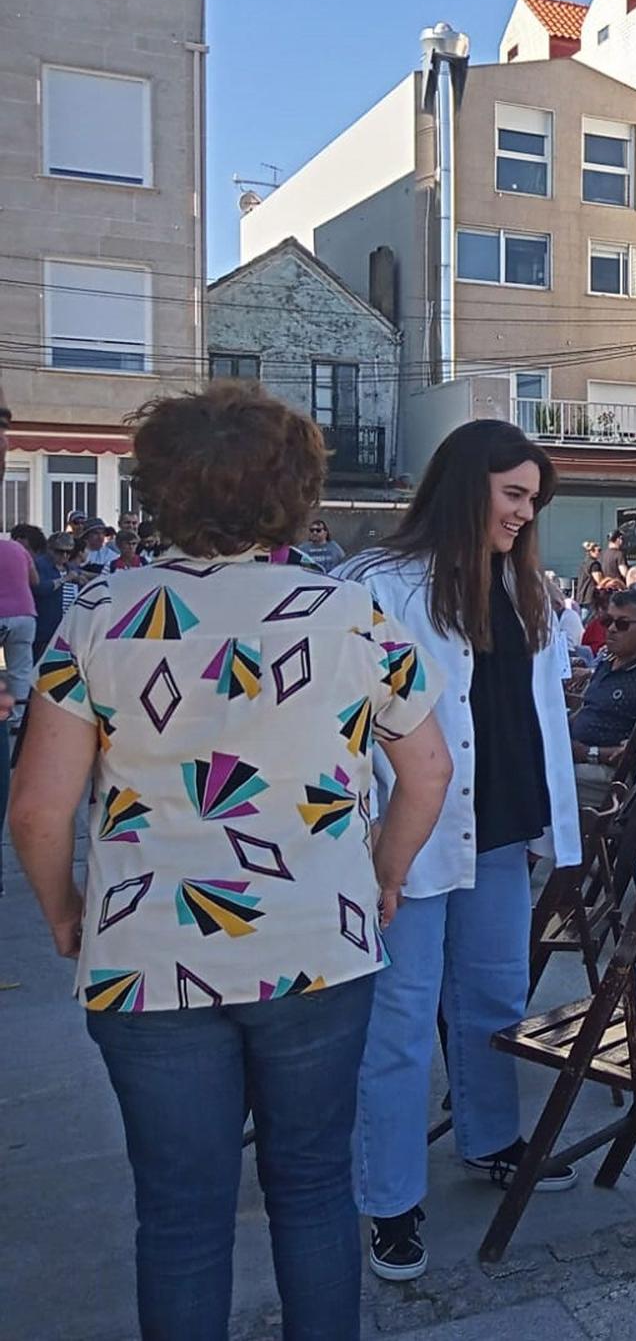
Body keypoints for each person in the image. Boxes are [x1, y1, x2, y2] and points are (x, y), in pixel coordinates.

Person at [12, 383, 453, 1338]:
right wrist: (380, 877)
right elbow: (428, 772)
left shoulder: (96, 616)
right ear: (295, 492)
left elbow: (38, 807)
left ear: (160, 488)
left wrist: (63, 908)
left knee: (179, 1218)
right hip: (319, 948)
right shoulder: (351, 617)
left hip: (145, 957)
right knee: (313, 1191)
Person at [342, 419, 585, 1283]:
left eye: (533, 500)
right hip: (410, 837)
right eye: (513, 494)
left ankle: (491, 1141)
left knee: (492, 1001)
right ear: (463, 485)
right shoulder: (377, 587)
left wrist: (562, 835)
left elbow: (542, 720)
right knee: (401, 1022)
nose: (525, 514)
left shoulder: (526, 588)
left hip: (504, 829)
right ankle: (391, 1199)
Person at [570, 587, 636, 808]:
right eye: (607, 621)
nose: (610, 629)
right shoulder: (607, 663)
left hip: (616, 779)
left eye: (622, 624)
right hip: (577, 758)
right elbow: (589, 710)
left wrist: (588, 753)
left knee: (535, 777)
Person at [0, 522, 37, 716]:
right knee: (20, 670)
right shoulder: (18, 549)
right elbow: (35, 581)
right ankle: (18, 718)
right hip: (24, 614)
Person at [12, 523, 63, 658]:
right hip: (41, 626)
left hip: (41, 626)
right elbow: (38, 587)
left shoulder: (39, 563)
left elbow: (38, 587)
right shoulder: (44, 563)